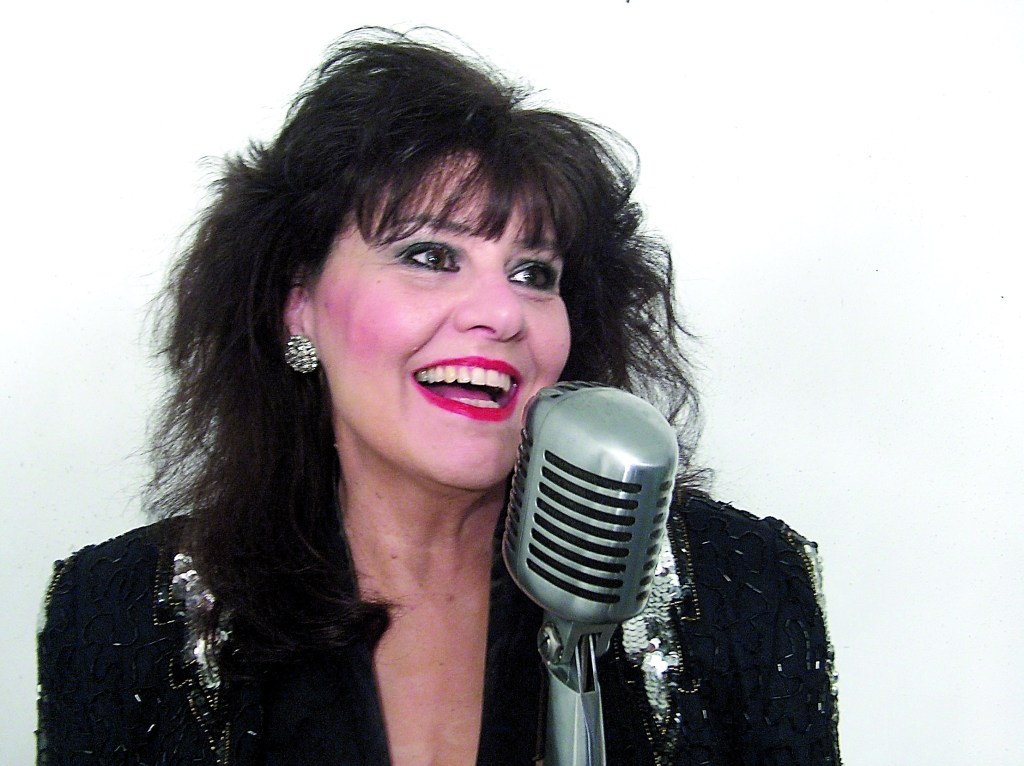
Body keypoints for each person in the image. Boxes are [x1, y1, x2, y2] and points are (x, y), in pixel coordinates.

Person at [37, 27, 840, 765]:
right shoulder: (122, 614)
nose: (502, 313)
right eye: (429, 255)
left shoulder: (742, 586)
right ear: (298, 304)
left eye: (534, 273)